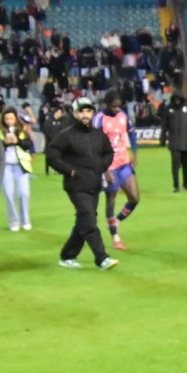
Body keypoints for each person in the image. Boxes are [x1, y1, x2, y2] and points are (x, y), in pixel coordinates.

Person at [45, 97, 117, 270]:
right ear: (75, 113)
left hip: (94, 185)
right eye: (81, 111)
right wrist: (69, 171)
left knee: (85, 221)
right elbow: (52, 154)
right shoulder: (66, 135)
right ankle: (101, 258)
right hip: (75, 185)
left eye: (88, 111)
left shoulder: (98, 135)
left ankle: (67, 256)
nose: (85, 115)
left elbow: (109, 152)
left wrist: (101, 166)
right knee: (89, 221)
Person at [94, 90, 140, 251]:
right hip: (109, 166)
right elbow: (94, 145)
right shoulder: (99, 120)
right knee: (111, 200)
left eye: (118, 106)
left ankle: (116, 221)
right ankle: (115, 237)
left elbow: (132, 134)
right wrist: (104, 168)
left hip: (124, 163)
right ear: (107, 104)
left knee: (134, 198)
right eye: (114, 106)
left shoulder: (123, 115)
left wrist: (134, 153)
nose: (116, 109)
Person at [0, 105, 34, 232]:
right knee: (8, 193)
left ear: (16, 118)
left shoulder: (22, 128)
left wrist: (17, 141)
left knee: (24, 193)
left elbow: (28, 144)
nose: (9, 121)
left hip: (21, 165)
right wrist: (5, 143)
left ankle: (26, 220)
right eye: (6, 119)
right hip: (5, 165)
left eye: (11, 118)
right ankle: (13, 221)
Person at [161, 92, 187, 193]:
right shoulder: (169, 109)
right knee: (175, 164)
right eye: (175, 99)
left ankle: (185, 183)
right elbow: (164, 125)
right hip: (173, 141)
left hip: (185, 140)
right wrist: (162, 138)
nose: (177, 101)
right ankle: (176, 185)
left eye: (179, 99)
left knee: (185, 164)